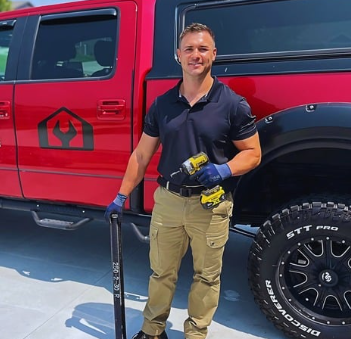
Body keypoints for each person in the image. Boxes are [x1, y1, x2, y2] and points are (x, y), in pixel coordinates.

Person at [104, 23, 262, 339]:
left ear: (214, 55)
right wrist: (121, 197)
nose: (195, 55)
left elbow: (253, 153)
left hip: (211, 203)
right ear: (179, 55)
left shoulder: (232, 104)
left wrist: (224, 170)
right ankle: (152, 331)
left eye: (202, 49)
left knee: (206, 277)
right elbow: (141, 155)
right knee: (161, 273)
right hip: (169, 201)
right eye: (189, 49)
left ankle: (196, 334)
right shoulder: (163, 104)